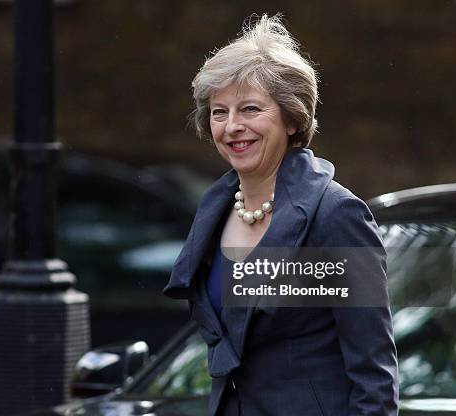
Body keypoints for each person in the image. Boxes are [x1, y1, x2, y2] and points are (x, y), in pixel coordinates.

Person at [163, 14, 398, 416]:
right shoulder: (214, 208)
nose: (233, 127)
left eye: (250, 109)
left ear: (291, 118)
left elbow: (373, 372)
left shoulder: (335, 214)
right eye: (220, 112)